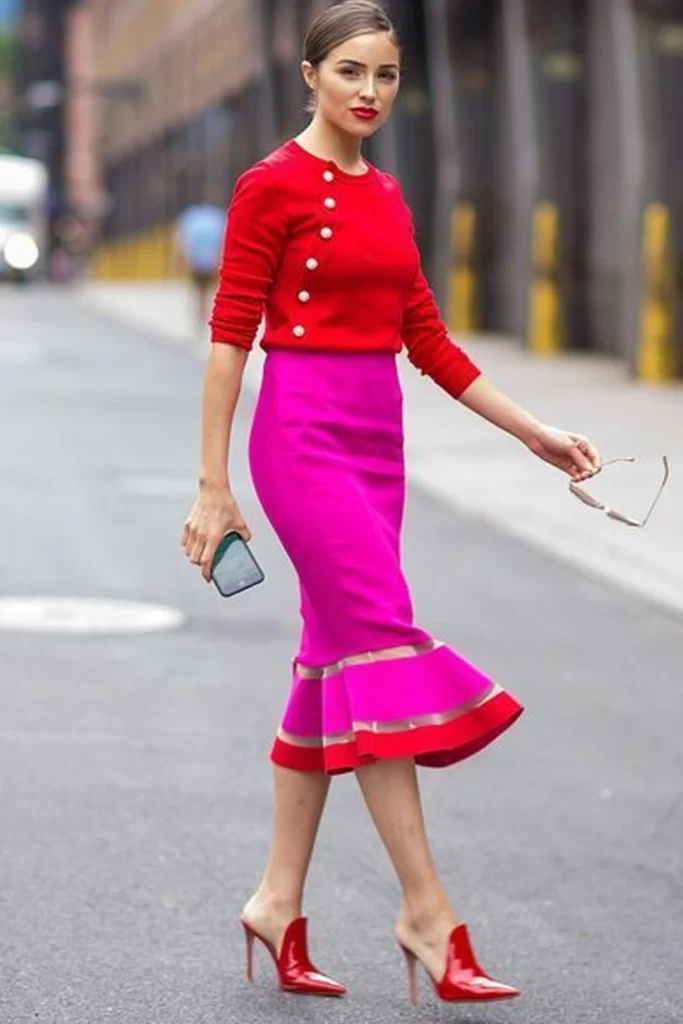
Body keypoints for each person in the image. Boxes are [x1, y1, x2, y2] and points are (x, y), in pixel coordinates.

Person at [182, 0, 601, 1006]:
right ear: (310, 75)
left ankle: (275, 901)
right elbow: (230, 336)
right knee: (378, 644)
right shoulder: (268, 186)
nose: (368, 93)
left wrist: (533, 431)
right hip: (300, 436)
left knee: (332, 662)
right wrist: (213, 484)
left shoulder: (389, 197)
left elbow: (429, 337)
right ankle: (426, 912)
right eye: (351, 73)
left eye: (386, 76)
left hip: (377, 446)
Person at [174, 199, 226, 327]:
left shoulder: (191, 217)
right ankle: (208, 316)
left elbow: (182, 241)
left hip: (197, 260)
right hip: (211, 261)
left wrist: (181, 260)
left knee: (200, 291)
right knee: (211, 291)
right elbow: (224, 242)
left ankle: (201, 316)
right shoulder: (218, 218)